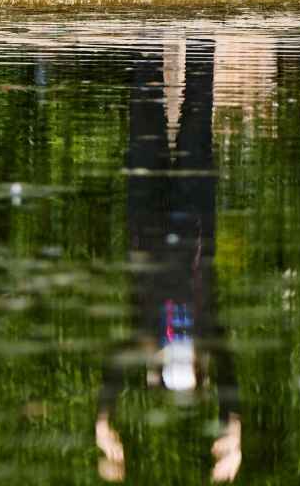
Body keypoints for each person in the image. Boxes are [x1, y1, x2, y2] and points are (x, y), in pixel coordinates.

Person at [95, 42, 242, 483]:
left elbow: (117, 367)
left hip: (147, 210)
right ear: (198, 368)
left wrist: (104, 421)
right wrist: (233, 424)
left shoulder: (146, 334)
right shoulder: (206, 330)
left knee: (145, 107)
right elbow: (228, 372)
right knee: (196, 110)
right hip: (192, 212)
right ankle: (197, 33)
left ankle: (144, 36)